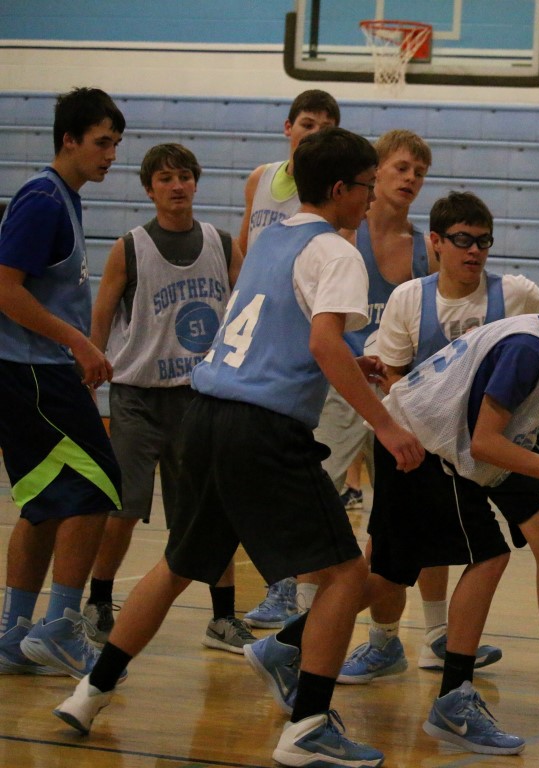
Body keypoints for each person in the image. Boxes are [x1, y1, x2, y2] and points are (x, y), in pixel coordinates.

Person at [51, 126, 425, 768]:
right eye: (366, 186)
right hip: (263, 427)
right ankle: (308, 726)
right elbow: (322, 344)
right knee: (346, 575)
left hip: (206, 412)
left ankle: (90, 693)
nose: (371, 199)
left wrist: (349, 358)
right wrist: (387, 427)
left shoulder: (272, 236)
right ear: (341, 188)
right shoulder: (338, 252)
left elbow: (279, 323)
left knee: (177, 564)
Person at [249, 257, 539, 756]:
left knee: (391, 575)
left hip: (410, 442)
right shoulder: (528, 349)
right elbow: (484, 443)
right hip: (423, 451)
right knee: (490, 555)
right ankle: (454, 702)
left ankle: (284, 646)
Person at [336, 192, 539, 703]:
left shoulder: (515, 292)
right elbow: (394, 377)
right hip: (438, 441)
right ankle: (391, 641)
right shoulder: (410, 298)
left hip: (506, 437)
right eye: (463, 240)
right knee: (401, 553)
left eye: (484, 241)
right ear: (436, 243)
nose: (475, 251)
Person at [317, 149, 501, 683]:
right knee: (329, 511)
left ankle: (433, 634)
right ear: (373, 174)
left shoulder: (426, 247)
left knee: (416, 529)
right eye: (401, 168)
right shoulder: (341, 237)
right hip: (346, 380)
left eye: (420, 171)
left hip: (408, 407)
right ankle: (304, 617)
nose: (411, 178)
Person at [82, 142, 253, 654]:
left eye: (184, 177)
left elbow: (248, 312)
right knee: (124, 505)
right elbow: (102, 313)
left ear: (196, 183)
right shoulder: (130, 247)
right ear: (149, 189)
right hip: (138, 395)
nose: (176, 186)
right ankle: (98, 601)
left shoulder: (222, 244)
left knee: (207, 510)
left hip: (198, 398)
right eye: (165, 178)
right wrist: (90, 366)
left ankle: (223, 616)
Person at [0, 87, 126, 679]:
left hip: (36, 371)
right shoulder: (43, 199)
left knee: (44, 505)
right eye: (102, 142)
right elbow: (5, 289)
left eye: (116, 144)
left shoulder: (62, 199)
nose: (111, 155)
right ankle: (61, 627)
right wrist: (78, 342)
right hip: (32, 372)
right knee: (99, 487)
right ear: (69, 140)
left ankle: (13, 633)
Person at [238, 88, 341, 629]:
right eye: (307, 122)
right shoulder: (260, 179)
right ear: (287, 127)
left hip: (300, 342)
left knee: (297, 475)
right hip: (255, 338)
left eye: (326, 125)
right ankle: (281, 586)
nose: (314, 132)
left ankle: (289, 587)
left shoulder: (332, 200)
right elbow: (243, 252)